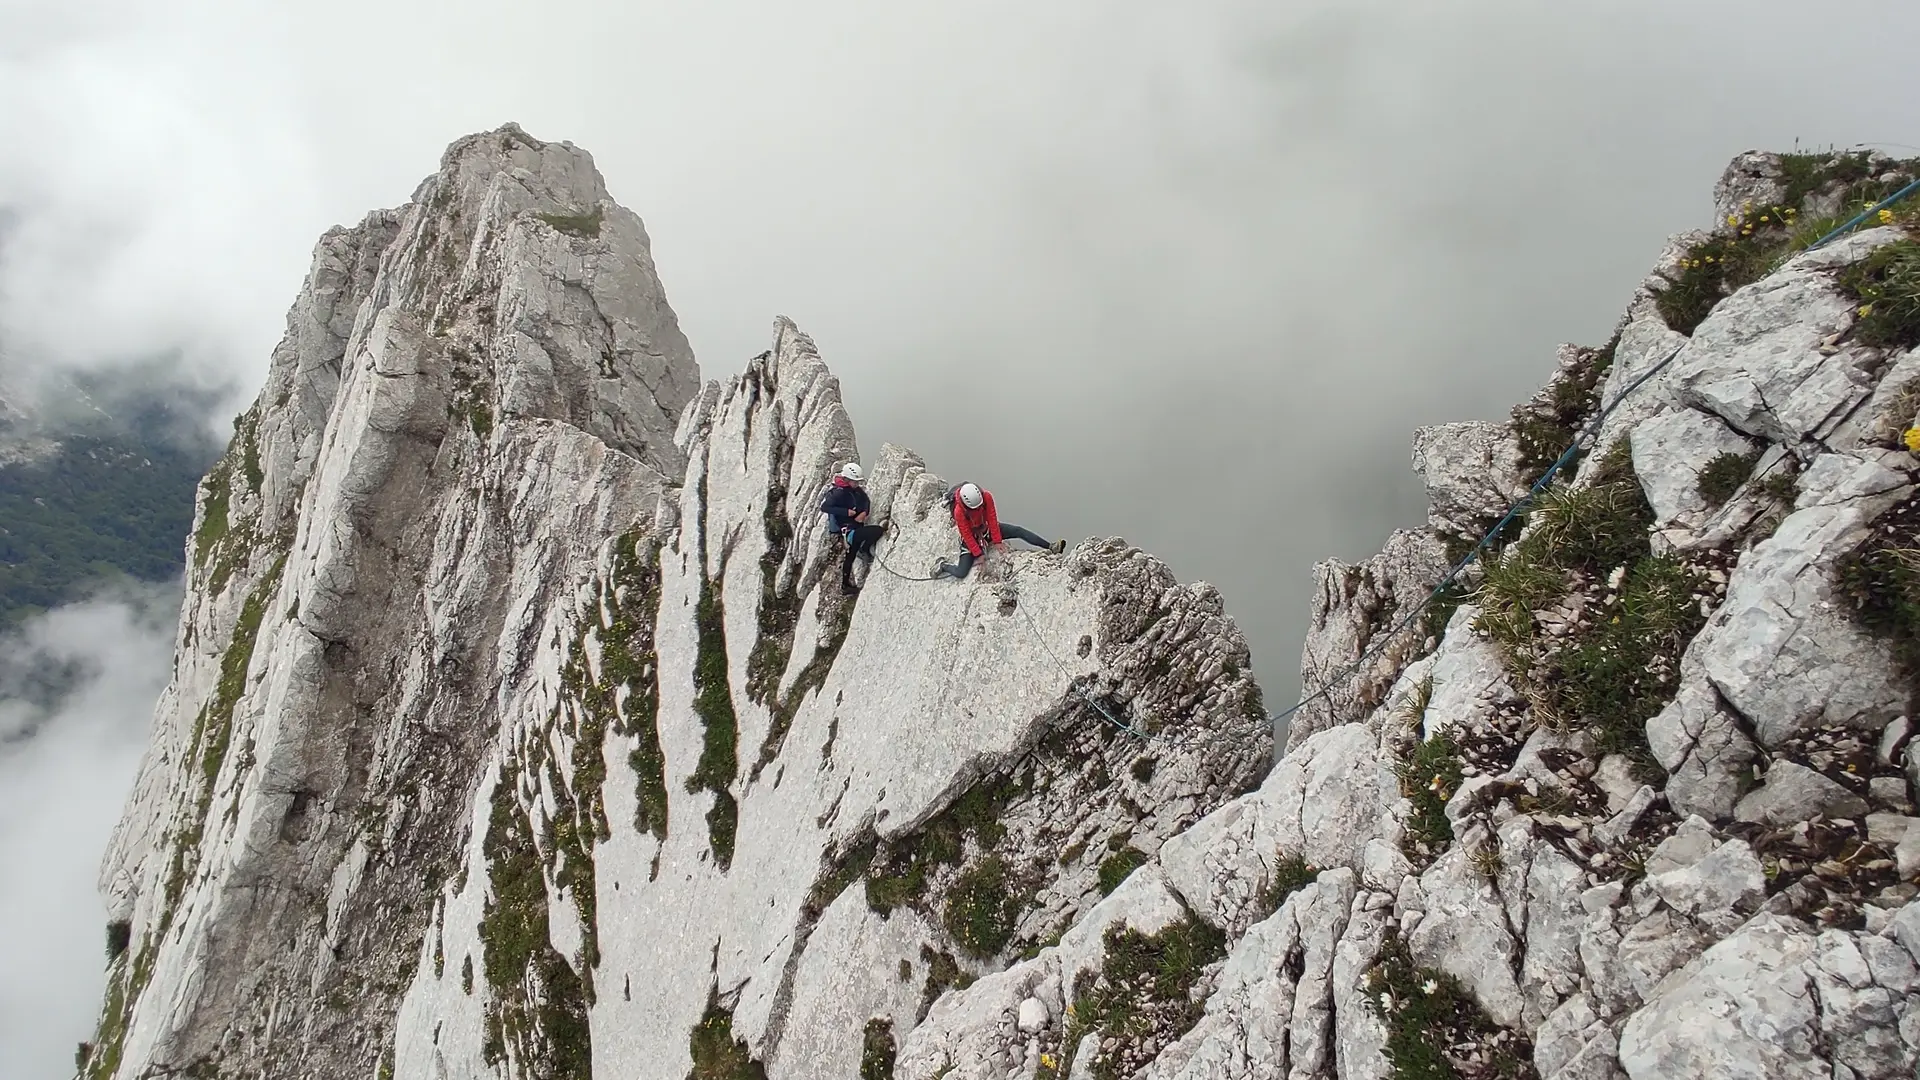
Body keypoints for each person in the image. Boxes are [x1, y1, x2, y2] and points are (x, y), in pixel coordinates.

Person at [933, 481, 1065, 580]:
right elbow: (966, 534)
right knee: (961, 572)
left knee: (1018, 531)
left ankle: (1051, 546)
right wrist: (978, 554)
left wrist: (997, 540)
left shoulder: (986, 497)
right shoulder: (959, 511)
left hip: (986, 529)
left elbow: (991, 517)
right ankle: (943, 565)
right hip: (972, 538)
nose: (978, 509)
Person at [819, 462, 883, 591]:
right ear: (847, 479)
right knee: (878, 531)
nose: (857, 484)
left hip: (854, 527)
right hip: (848, 530)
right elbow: (825, 507)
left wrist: (864, 512)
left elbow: (866, 500)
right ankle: (863, 551)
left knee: (851, 554)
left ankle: (845, 585)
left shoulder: (855, 490)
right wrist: (846, 512)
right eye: (855, 481)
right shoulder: (837, 493)